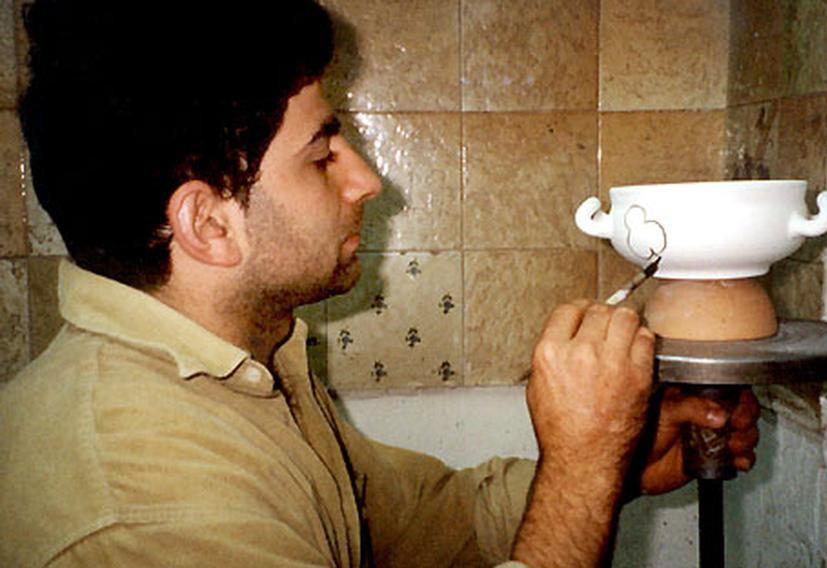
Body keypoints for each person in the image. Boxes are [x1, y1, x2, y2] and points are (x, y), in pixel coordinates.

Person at [0, 1, 760, 566]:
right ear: (207, 224)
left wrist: (616, 462)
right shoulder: (144, 510)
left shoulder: (248, 369)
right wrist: (583, 469)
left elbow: (430, 518)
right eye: (323, 154)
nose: (367, 180)